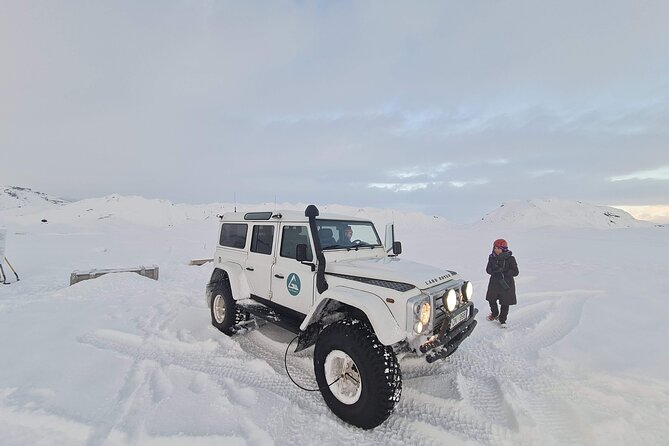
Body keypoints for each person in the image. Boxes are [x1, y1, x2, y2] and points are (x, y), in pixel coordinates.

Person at [485, 239, 519, 327]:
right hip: (494, 283)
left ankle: (502, 320)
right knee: (491, 299)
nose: (496, 250)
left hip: (506, 283)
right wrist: (494, 271)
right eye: (495, 248)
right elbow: (488, 270)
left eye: (499, 248)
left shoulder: (510, 258)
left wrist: (505, 271)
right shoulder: (492, 258)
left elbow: (516, 272)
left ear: (503, 249)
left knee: (505, 302)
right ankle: (495, 313)